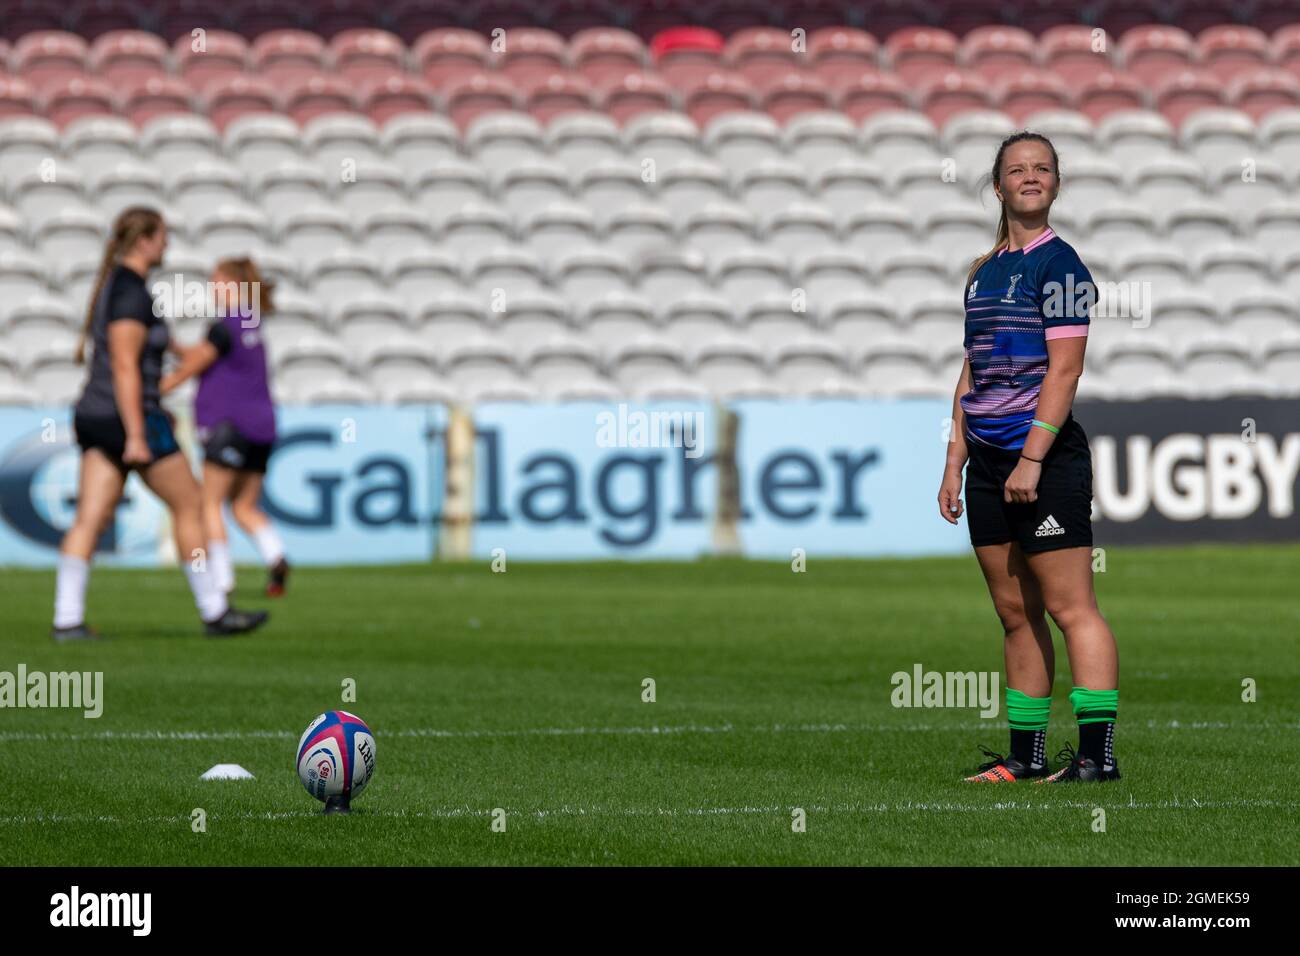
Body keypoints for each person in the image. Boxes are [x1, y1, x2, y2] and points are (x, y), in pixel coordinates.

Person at [938, 132, 1119, 783]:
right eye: (1018, 168)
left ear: (1057, 184)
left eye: (1043, 168)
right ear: (999, 185)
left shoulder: (1062, 266)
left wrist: (1033, 459)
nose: (1031, 176)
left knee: (1073, 609)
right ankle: (1024, 756)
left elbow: (1065, 373)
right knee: (1015, 613)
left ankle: (1098, 758)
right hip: (987, 461)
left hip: (1040, 459)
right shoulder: (983, 271)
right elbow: (972, 371)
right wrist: (954, 456)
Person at [53, 207, 269, 640]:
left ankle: (67, 619)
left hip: (98, 416)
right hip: (129, 420)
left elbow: (154, 353)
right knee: (190, 507)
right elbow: (125, 367)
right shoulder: (131, 293)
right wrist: (136, 432)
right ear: (145, 240)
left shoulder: (121, 288)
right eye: (163, 236)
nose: (168, 244)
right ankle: (214, 610)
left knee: (89, 519)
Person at [161, 257, 289, 597]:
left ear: (232, 284)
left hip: (228, 425)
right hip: (262, 426)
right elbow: (208, 355)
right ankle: (275, 554)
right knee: (244, 505)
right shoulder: (251, 322)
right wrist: (175, 347)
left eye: (216, 282)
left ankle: (221, 579)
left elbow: (194, 364)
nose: (212, 288)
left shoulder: (224, 326)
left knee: (209, 503)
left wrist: (155, 389)